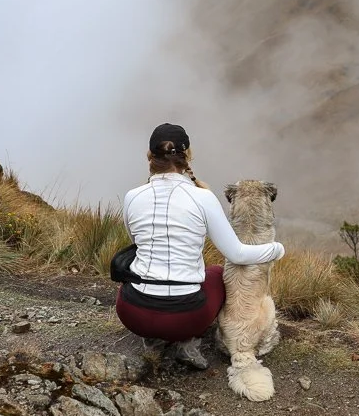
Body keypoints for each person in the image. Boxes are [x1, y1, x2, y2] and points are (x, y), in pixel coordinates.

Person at [115, 123, 285, 369]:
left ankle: (152, 341)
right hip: (186, 319)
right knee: (215, 273)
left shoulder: (132, 196)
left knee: (138, 278)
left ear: (149, 156)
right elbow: (237, 254)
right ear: (188, 156)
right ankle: (186, 344)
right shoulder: (203, 197)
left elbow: (138, 245)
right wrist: (277, 249)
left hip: (133, 313)